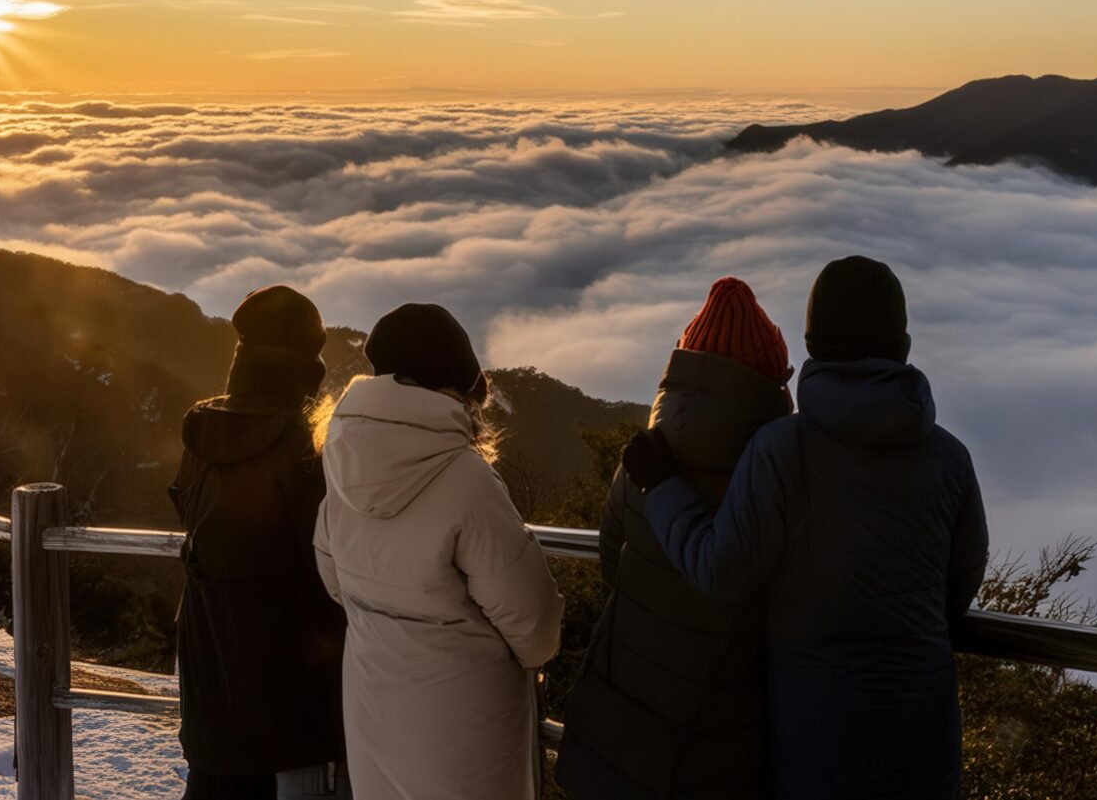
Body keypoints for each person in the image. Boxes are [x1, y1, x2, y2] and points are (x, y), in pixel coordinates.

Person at [625, 257, 989, 800]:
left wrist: (661, 487)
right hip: (924, 737)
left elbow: (723, 572)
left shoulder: (783, 449)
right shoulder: (950, 458)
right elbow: (958, 586)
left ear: (812, 344)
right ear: (903, 345)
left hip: (818, 739)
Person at [556, 277, 795, 800]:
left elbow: (613, 562)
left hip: (613, 727)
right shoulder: (778, 474)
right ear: (774, 380)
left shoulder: (642, 456)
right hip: (709, 746)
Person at [314, 303, 564, 800]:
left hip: (373, 712)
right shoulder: (467, 480)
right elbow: (536, 633)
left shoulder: (340, 465)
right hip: (464, 731)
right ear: (458, 389)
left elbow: (334, 578)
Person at [171, 285, 350, 800]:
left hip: (210, 676)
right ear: (305, 356)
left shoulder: (203, 431)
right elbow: (331, 557)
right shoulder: (306, 443)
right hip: (291, 694)